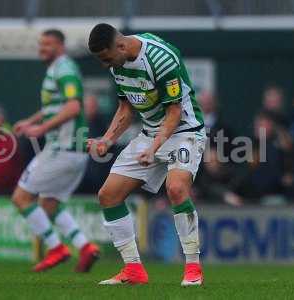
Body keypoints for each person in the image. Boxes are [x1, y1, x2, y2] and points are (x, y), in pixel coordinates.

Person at [88, 23, 206, 286]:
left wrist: (154, 149)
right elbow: (125, 109)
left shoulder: (161, 58)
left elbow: (174, 112)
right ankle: (133, 270)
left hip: (185, 132)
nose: (106, 66)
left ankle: (193, 268)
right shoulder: (117, 62)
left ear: (119, 46)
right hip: (150, 135)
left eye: (106, 59)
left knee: (176, 189)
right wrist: (106, 140)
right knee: (108, 196)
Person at [12, 29, 99, 273]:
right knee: (49, 203)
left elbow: (73, 107)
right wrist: (32, 121)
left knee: (21, 198)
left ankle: (56, 248)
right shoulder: (57, 69)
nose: (42, 48)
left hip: (63, 147)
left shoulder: (65, 69)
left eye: (48, 44)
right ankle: (85, 247)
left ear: (60, 46)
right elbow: (56, 106)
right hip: (72, 151)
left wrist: (40, 129)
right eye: (41, 44)